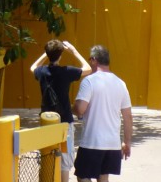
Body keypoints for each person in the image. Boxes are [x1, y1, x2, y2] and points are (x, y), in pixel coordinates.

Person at [31, 40, 92, 182]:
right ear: (61, 55)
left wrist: (45, 55)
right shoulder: (67, 72)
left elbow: (33, 67)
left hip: (46, 121)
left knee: (47, 159)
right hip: (64, 121)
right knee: (64, 163)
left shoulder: (42, 72)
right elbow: (87, 68)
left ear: (48, 53)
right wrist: (73, 50)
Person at [73, 44, 132, 182]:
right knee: (103, 176)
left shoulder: (89, 81)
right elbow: (128, 116)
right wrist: (126, 142)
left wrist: (72, 107)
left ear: (94, 60)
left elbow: (80, 109)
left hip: (92, 141)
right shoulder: (120, 83)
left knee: (82, 176)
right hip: (112, 143)